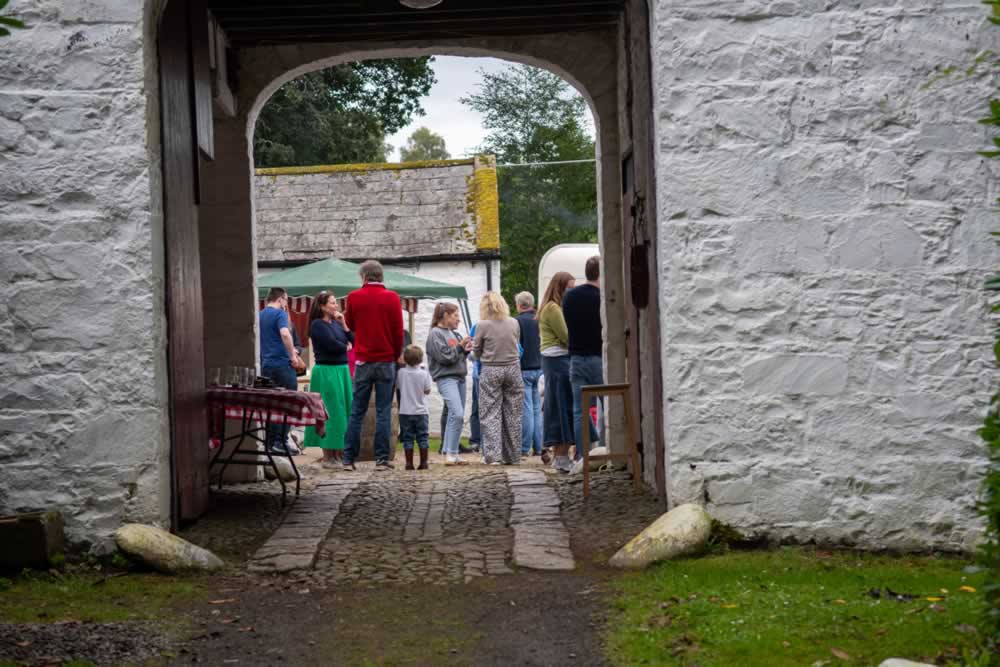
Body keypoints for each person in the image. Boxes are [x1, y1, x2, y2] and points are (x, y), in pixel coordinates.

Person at [342, 260, 405, 472]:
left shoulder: (354, 297)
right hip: (386, 360)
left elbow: (349, 324)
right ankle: (381, 459)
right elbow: (398, 332)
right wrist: (396, 355)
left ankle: (348, 459)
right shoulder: (392, 298)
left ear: (363, 276)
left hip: (363, 360)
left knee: (357, 411)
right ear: (381, 276)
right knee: (383, 410)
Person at [303, 291, 353, 469]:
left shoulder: (336, 323)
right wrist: (345, 347)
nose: (336, 306)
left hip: (341, 370)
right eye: (332, 303)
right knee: (330, 412)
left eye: (335, 302)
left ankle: (339, 454)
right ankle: (328, 456)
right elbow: (332, 345)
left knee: (342, 412)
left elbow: (353, 339)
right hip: (327, 372)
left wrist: (344, 324)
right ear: (322, 306)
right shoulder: (317, 325)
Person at [472, 292, 523, 465]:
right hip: (513, 369)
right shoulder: (514, 322)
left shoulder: (482, 325)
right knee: (513, 413)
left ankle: (493, 456)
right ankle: (513, 455)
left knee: (490, 413)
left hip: (491, 369)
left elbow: (476, 351)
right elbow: (516, 342)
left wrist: (477, 354)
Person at [563, 255, 604, 461]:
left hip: (576, 358)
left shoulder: (569, 297)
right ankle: (606, 450)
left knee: (580, 410)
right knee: (609, 405)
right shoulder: (601, 297)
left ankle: (582, 456)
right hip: (598, 356)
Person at [259, 287, 306, 455]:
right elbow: (285, 334)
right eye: (286, 300)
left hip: (266, 367)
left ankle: (270, 442)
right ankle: (281, 441)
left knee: (272, 405)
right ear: (281, 300)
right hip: (282, 365)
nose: (286, 304)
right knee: (288, 404)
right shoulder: (279, 314)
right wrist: (293, 355)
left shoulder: (260, 315)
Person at [538, 272, 576, 473]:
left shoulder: (552, 307)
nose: (572, 291)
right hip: (558, 362)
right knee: (561, 407)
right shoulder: (553, 309)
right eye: (570, 287)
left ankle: (563, 455)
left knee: (561, 406)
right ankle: (561, 456)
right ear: (560, 287)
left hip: (556, 361)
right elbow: (566, 336)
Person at [426, 303, 472, 466]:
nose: (458, 319)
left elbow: (456, 357)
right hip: (446, 378)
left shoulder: (453, 333)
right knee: (457, 413)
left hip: (459, 377)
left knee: (456, 416)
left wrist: (465, 350)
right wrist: (460, 347)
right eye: (455, 315)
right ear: (445, 315)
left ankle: (451, 452)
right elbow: (444, 358)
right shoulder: (435, 334)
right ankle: (451, 453)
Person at [515, 291, 543, 457]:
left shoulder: (517, 322)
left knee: (526, 409)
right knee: (536, 409)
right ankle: (539, 447)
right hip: (539, 368)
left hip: (524, 369)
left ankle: (525, 448)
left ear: (519, 306)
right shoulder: (539, 319)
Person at [397, 345, 433, 471]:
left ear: (405, 359)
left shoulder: (401, 373)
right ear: (420, 359)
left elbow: (399, 387)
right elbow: (427, 390)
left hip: (405, 411)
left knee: (408, 437)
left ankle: (409, 463)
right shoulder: (424, 373)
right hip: (421, 411)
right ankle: (424, 463)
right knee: (423, 437)